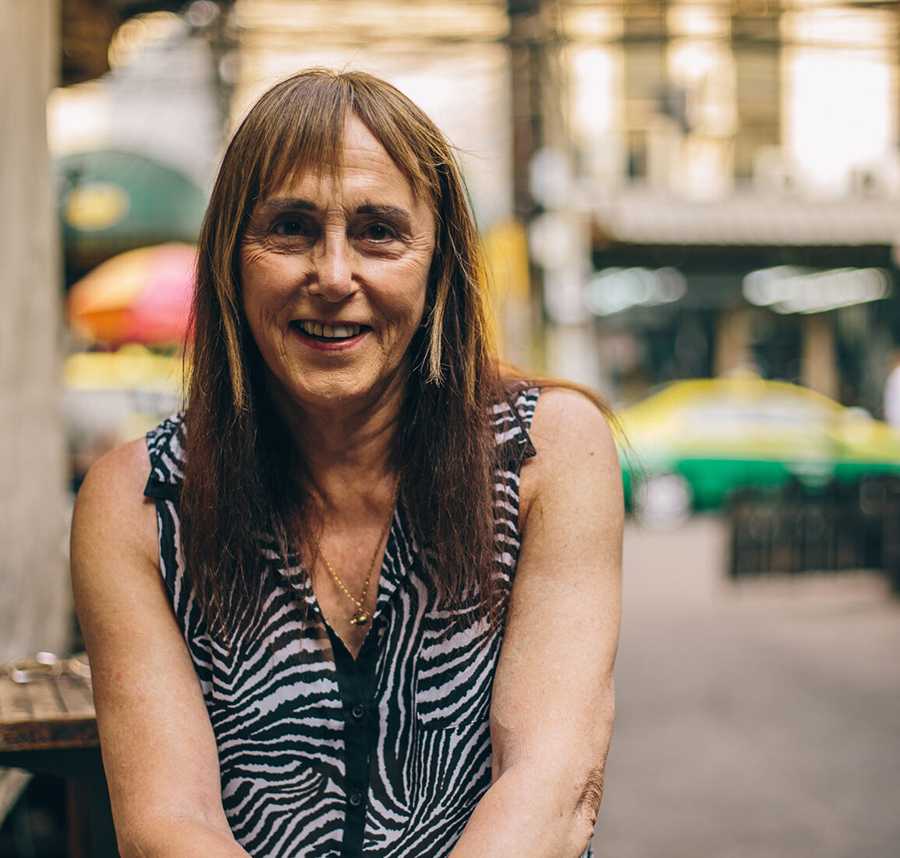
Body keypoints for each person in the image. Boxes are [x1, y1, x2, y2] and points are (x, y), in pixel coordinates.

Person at [70, 69, 622, 858]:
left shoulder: (547, 450)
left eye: (378, 232)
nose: (333, 276)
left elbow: (552, 783)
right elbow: (168, 826)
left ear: (438, 268)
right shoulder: (137, 504)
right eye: (290, 229)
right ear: (232, 258)